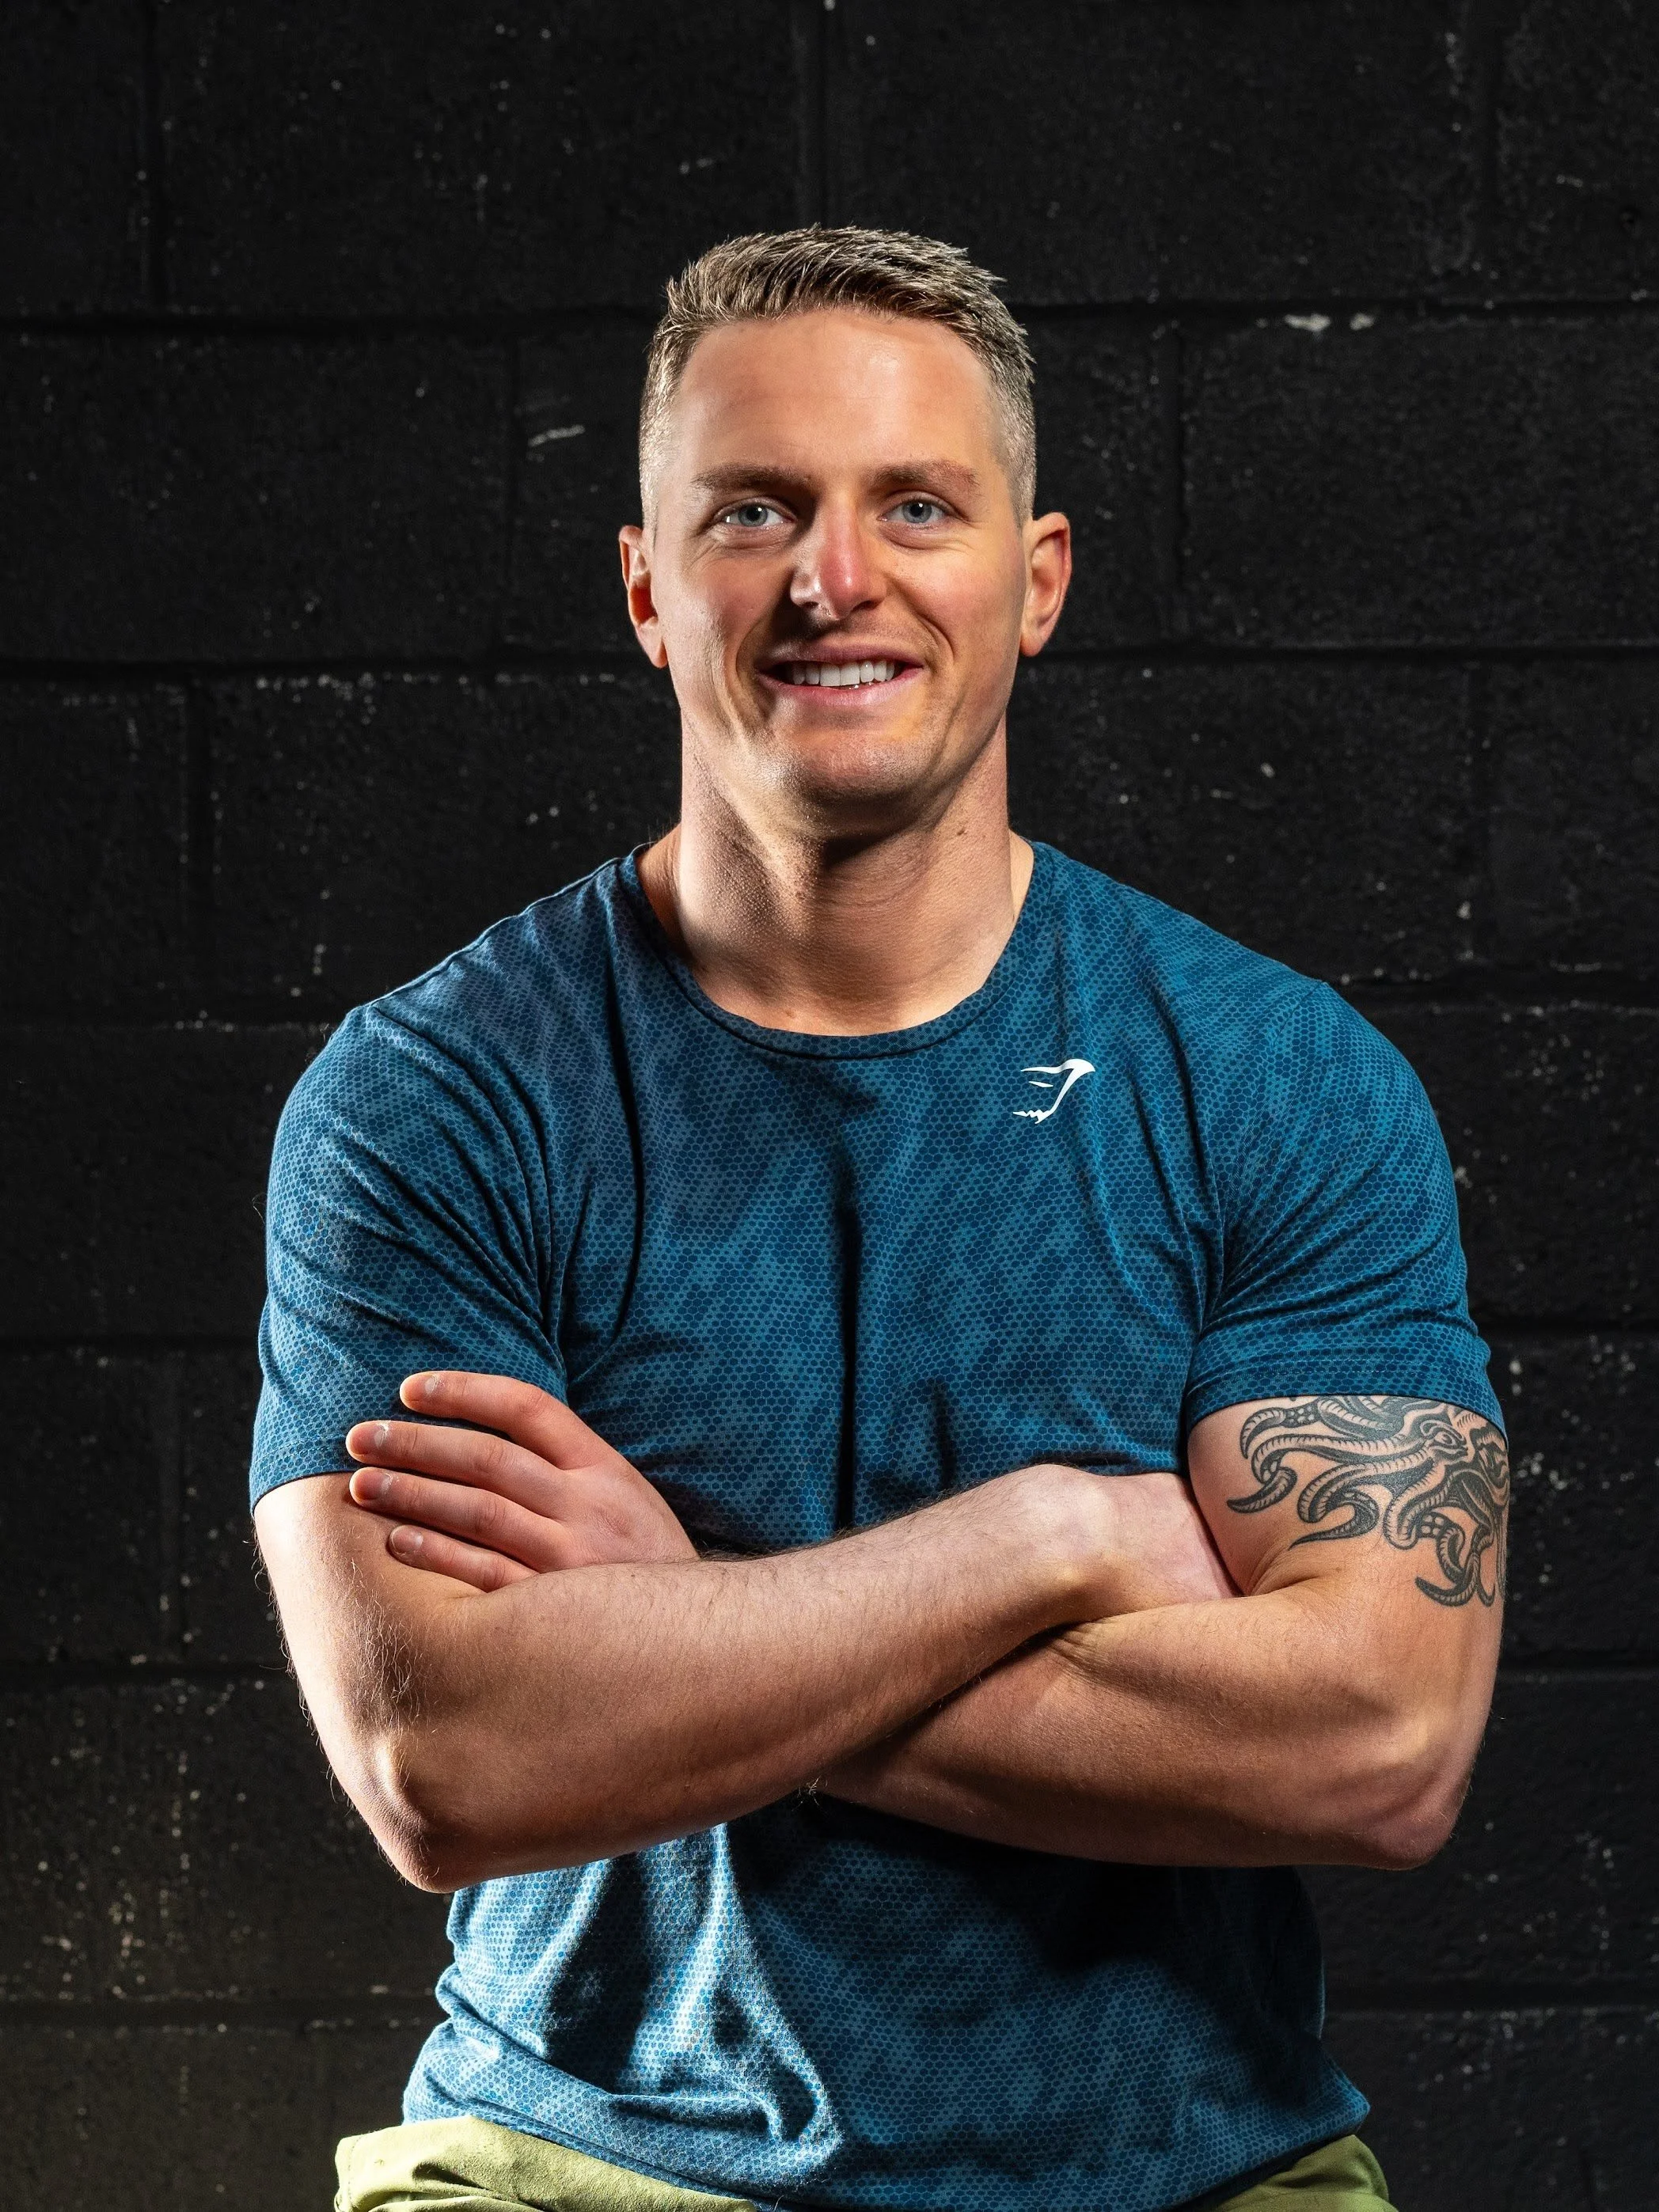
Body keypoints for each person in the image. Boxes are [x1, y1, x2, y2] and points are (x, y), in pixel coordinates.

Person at [252, 228, 1509, 2212]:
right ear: (650, 589)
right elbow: (450, 1765)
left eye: (914, 503)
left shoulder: (1275, 1077)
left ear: (1037, 579)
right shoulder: (438, 1098)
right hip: (578, 2163)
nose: (835, 578)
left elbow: (1377, 1742)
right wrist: (1057, 1533)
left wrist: (677, 1625)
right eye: (754, 509)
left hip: (1192, 2175)